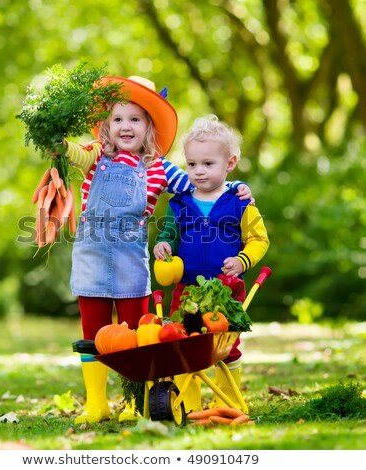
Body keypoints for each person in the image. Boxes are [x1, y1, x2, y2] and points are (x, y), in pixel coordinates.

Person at [45, 78, 253, 424]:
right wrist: (57, 142)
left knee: (134, 337)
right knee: (92, 335)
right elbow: (73, 153)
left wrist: (235, 188)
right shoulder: (95, 155)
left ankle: (133, 402)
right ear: (106, 127)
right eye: (118, 119)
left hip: (130, 262)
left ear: (149, 127)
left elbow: (203, 184)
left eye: (135, 119)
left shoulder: (160, 168)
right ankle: (96, 403)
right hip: (91, 258)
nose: (126, 126)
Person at [153, 114, 269, 411]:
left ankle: (227, 402)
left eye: (208, 164)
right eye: (192, 164)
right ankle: (188, 405)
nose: (198, 171)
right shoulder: (178, 203)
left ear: (230, 163)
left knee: (226, 347)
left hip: (226, 289)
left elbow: (259, 239)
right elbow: (169, 234)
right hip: (187, 289)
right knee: (184, 343)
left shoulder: (240, 202)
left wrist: (243, 261)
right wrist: (164, 244)